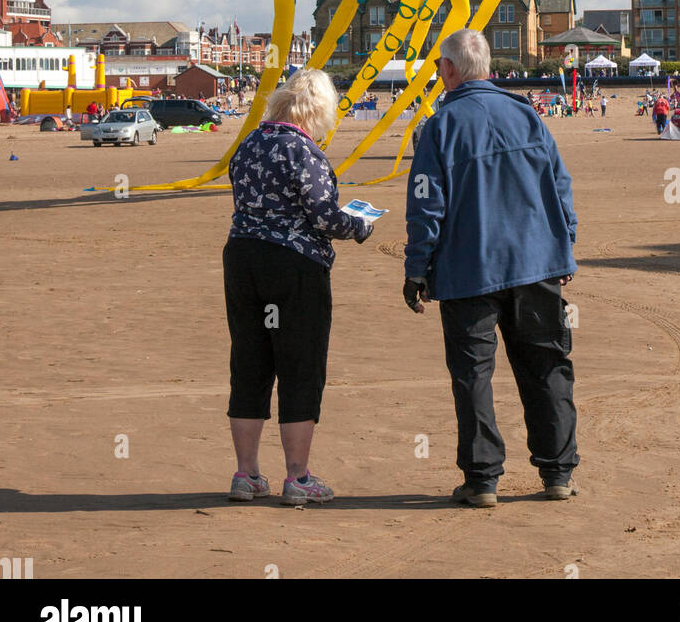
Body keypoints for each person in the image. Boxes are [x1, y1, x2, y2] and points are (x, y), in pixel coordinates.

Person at [404, 30, 578, 507]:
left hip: (471, 271)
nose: (440, 74)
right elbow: (560, 185)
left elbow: (425, 205)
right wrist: (565, 243)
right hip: (534, 261)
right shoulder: (526, 115)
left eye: (441, 67)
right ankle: (556, 472)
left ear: (452, 70)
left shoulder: (440, 126)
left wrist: (416, 268)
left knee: (474, 375)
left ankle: (484, 478)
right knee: (546, 367)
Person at [223, 67, 374, 506]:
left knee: (249, 363)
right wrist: (360, 225)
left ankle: (246, 474)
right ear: (318, 112)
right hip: (294, 265)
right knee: (299, 365)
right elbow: (325, 218)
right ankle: (297, 477)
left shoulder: (249, 143)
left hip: (243, 259)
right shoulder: (302, 150)